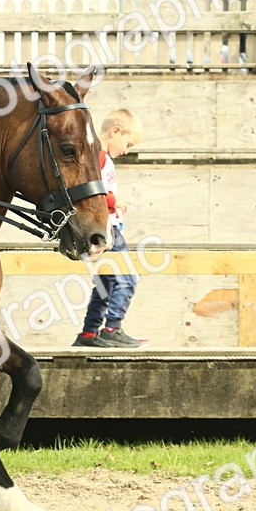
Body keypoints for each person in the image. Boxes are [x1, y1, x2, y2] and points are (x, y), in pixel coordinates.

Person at [73, 108, 146, 348]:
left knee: (106, 282)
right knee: (127, 279)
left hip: (107, 227)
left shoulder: (99, 157)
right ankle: (112, 328)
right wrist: (115, 202)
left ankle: (89, 333)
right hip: (108, 230)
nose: (126, 150)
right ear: (115, 131)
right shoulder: (100, 157)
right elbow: (91, 190)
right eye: (128, 143)